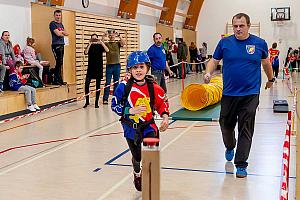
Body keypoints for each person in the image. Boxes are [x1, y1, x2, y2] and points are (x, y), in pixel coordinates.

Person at [203, 13, 274, 178]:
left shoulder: (259, 43)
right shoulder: (225, 43)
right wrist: (208, 73)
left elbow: (266, 63)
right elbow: (214, 61)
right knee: (225, 125)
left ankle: (241, 164)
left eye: (241, 26)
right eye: (235, 26)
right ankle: (230, 145)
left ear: (248, 26)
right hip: (228, 93)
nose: (238, 29)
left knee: (246, 128)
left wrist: (271, 79)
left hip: (250, 94)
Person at [111, 51, 169, 191]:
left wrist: (165, 117)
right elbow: (114, 105)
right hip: (131, 128)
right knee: (137, 157)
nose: (138, 70)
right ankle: (137, 172)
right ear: (129, 69)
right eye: (134, 67)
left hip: (149, 126)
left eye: (141, 67)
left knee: (151, 154)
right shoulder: (124, 86)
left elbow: (162, 103)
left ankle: (149, 181)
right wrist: (129, 111)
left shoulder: (153, 86)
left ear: (147, 68)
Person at [83, 34, 109, 108]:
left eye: (95, 39)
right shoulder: (90, 45)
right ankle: (87, 101)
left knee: (98, 86)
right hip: (90, 68)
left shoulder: (100, 46)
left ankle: (96, 103)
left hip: (98, 68)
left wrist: (101, 42)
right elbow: (86, 52)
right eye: (93, 39)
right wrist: (90, 43)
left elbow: (107, 50)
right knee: (86, 84)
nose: (94, 40)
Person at [102, 28, 125, 105]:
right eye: (110, 34)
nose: (111, 36)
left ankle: (116, 98)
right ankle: (105, 99)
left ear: (114, 35)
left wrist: (119, 35)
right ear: (108, 36)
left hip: (117, 65)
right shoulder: (107, 44)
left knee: (116, 82)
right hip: (109, 66)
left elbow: (123, 43)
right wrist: (104, 36)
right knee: (107, 82)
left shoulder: (117, 43)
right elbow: (102, 43)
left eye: (113, 34)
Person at [49, 10, 69, 85]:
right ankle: (55, 78)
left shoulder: (61, 24)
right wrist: (62, 32)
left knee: (60, 63)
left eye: (59, 15)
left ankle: (59, 79)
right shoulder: (52, 24)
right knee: (58, 62)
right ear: (54, 15)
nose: (58, 16)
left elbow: (67, 33)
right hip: (56, 45)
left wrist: (62, 32)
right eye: (57, 15)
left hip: (61, 44)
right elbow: (58, 34)